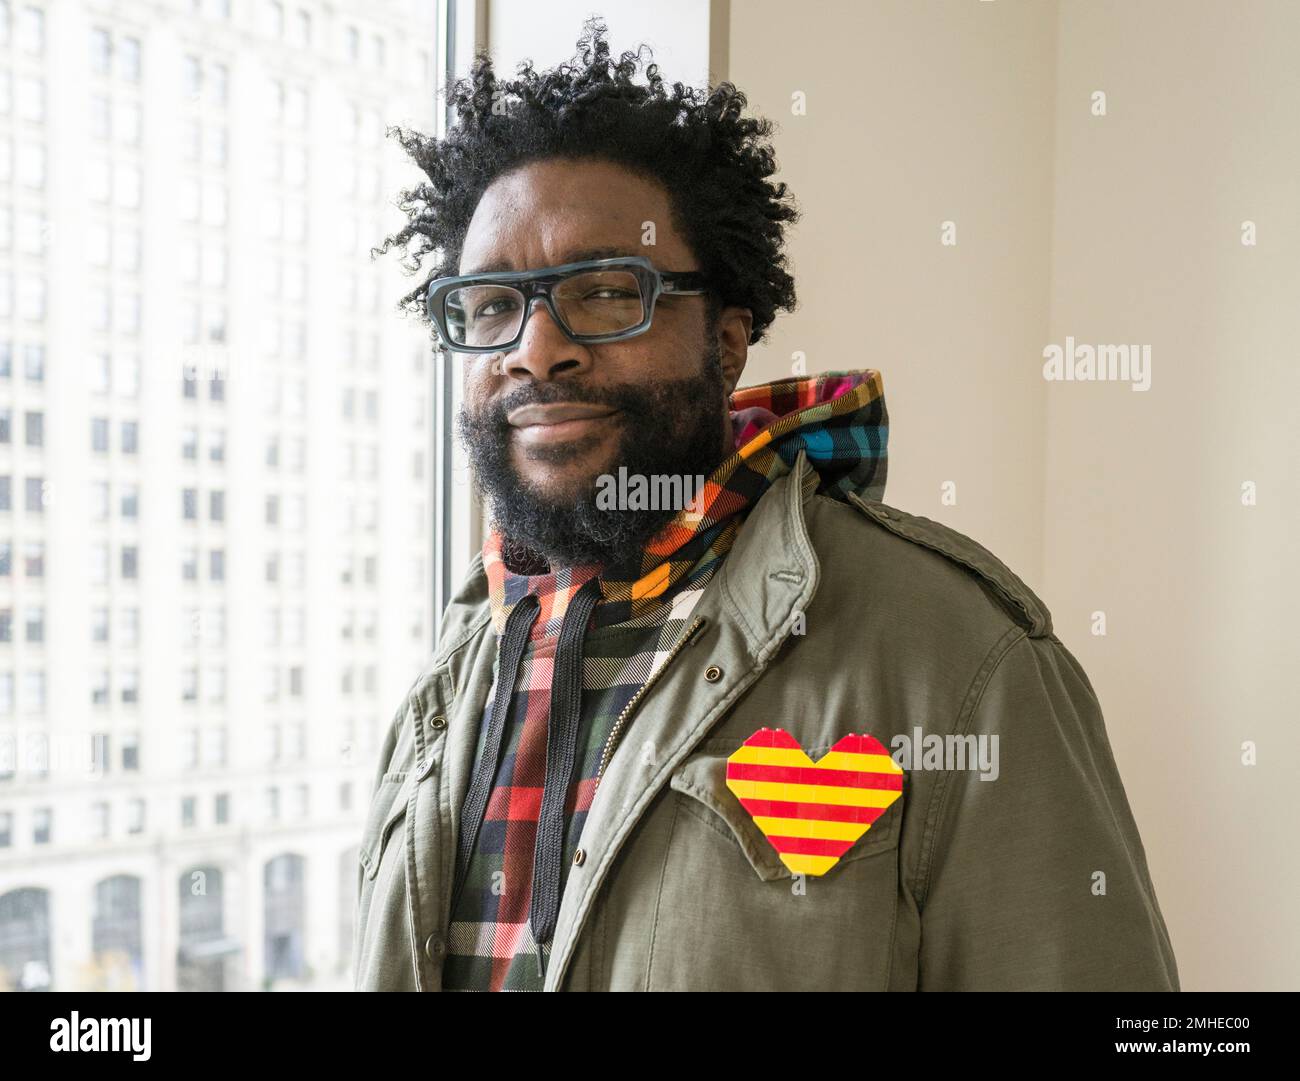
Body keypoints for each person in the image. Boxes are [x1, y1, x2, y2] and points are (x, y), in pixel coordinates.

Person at [353, 17, 1179, 992]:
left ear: (729, 336)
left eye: (611, 292)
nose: (536, 348)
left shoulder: (961, 655)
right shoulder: (452, 674)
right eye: (493, 305)